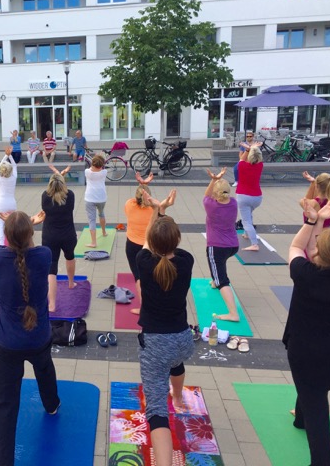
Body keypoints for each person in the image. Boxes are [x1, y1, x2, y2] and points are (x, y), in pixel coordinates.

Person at [0, 211, 59, 466]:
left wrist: (20, 225)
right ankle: (51, 404)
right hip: (39, 338)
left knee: (5, 407)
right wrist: (27, 224)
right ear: (31, 234)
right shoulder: (44, 255)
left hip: (7, 345)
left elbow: (10, 244)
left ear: (7, 236)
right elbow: (26, 244)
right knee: (44, 368)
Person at [285, 197, 330, 466]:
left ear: (317, 253)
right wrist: (320, 221)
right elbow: (314, 249)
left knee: (317, 408)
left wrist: (313, 220)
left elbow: (297, 245)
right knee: (312, 391)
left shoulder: (304, 273)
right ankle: (300, 417)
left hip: (307, 355)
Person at [136, 188, 195, 466]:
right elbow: (164, 243)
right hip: (183, 341)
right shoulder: (186, 262)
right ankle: (180, 398)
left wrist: (156, 211)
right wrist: (163, 212)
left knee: (157, 411)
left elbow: (151, 243)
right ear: (178, 240)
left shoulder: (143, 263)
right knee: (176, 362)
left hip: (157, 344)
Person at [203, 168, 240, 322]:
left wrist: (213, 179)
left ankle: (233, 313)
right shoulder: (233, 203)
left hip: (217, 247)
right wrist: (218, 180)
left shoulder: (211, 205)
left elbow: (206, 195)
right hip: (233, 245)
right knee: (219, 264)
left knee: (222, 281)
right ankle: (215, 279)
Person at [41, 170, 76, 312]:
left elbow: (45, 210)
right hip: (68, 234)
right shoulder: (70, 195)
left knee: (52, 269)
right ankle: (71, 283)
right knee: (70, 257)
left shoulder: (45, 196)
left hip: (50, 236)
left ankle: (52, 304)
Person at [124, 172, 155, 313]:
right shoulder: (154, 210)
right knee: (150, 274)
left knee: (138, 276)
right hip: (150, 247)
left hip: (132, 246)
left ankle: (144, 307)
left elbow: (138, 197)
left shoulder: (129, 205)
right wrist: (145, 184)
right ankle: (153, 301)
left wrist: (142, 183)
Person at [236, 145, 263, 251]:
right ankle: (247, 234)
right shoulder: (260, 165)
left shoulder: (242, 165)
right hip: (257, 197)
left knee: (246, 221)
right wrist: (254, 148)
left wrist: (247, 148)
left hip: (243, 196)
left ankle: (254, 244)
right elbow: (255, 156)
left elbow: (242, 158)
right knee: (249, 214)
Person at [0, 147, 18, 245]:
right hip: (11, 203)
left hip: (0, 203)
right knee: (12, 223)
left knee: (0, 224)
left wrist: (6, 155)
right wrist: (10, 156)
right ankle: (14, 242)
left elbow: (0, 165)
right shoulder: (13, 177)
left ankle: (1, 244)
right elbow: (15, 166)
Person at [84, 154, 108, 248]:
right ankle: (104, 232)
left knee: (92, 220)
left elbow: (91, 168)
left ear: (92, 163)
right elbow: (102, 167)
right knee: (101, 214)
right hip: (102, 197)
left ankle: (93, 242)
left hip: (90, 198)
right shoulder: (104, 172)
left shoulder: (87, 172)